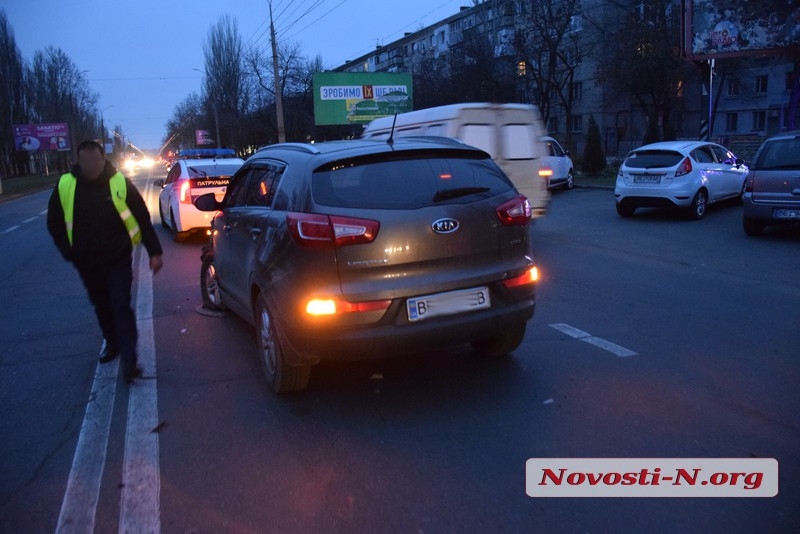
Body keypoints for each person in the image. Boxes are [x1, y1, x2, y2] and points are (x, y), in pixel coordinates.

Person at [47, 140, 163, 383]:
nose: (91, 166)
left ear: (103, 160)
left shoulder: (118, 182)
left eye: (95, 160)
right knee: (102, 305)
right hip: (86, 261)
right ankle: (112, 342)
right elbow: (55, 222)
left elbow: (141, 215)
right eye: (85, 161)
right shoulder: (66, 185)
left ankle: (130, 361)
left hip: (117, 258)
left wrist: (154, 251)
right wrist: (69, 252)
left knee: (120, 304)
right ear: (79, 162)